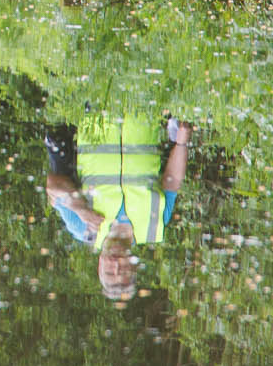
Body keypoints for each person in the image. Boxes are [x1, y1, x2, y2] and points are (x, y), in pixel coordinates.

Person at [49, 113, 193, 305]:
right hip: (142, 110)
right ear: (134, 264)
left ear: (99, 266)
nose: (116, 264)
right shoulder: (154, 226)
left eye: (109, 271)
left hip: (97, 112)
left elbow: (52, 184)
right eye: (123, 270)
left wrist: (80, 208)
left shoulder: (82, 228)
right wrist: (182, 144)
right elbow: (171, 181)